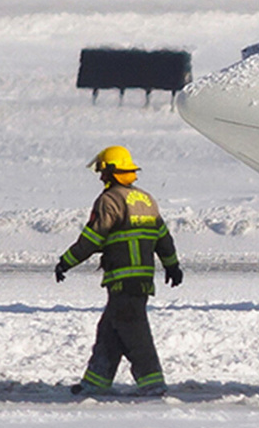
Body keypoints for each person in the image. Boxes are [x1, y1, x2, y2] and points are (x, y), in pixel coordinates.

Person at [54, 145, 183, 396]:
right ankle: (95, 383)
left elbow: (92, 239)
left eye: (103, 172)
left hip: (123, 280)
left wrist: (66, 262)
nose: (101, 177)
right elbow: (163, 238)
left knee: (135, 333)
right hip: (141, 281)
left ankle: (153, 384)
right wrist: (172, 265)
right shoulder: (146, 199)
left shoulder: (109, 200)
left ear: (112, 172)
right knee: (109, 331)